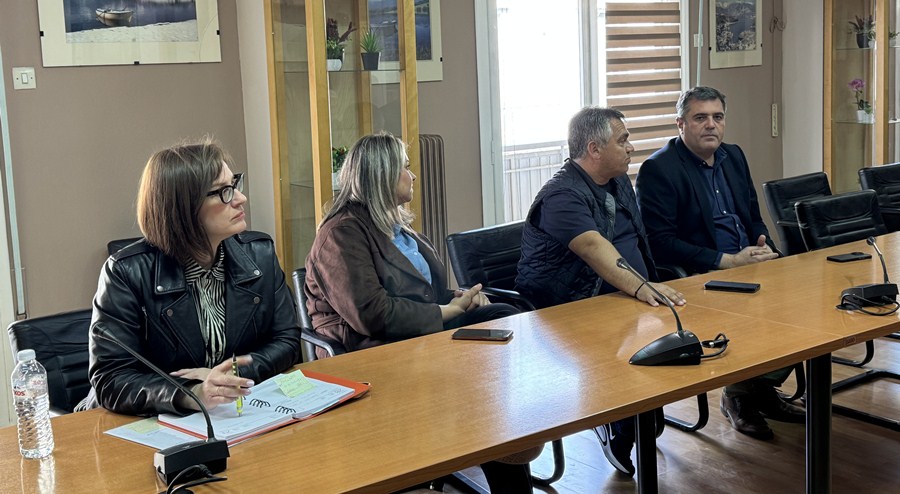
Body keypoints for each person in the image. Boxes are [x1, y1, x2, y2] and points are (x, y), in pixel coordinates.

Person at [304, 132, 535, 492]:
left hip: (424, 337)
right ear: (382, 174)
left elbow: (426, 290)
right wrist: (445, 311)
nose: (412, 175)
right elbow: (371, 314)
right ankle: (498, 443)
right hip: (375, 349)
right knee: (485, 387)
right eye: (405, 167)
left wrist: (460, 299)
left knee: (503, 315)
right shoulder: (341, 234)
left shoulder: (396, 225)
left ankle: (507, 437)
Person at [515, 106, 685, 477]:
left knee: (676, 331)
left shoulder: (618, 181)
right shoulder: (561, 196)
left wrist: (649, 287)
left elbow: (634, 239)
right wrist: (643, 287)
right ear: (594, 149)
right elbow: (594, 248)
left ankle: (637, 416)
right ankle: (616, 423)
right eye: (622, 141)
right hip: (568, 309)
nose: (631, 148)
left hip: (620, 299)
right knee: (641, 345)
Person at [84, 138, 302, 416]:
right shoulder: (125, 272)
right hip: (145, 421)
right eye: (223, 192)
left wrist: (229, 376)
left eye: (234, 184)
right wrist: (191, 393)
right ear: (182, 207)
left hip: (233, 413)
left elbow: (286, 339)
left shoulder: (259, 253)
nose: (240, 198)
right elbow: (111, 379)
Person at [635, 86, 805, 440]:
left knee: (806, 305)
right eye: (700, 118)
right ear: (680, 124)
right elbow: (660, 243)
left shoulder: (733, 155)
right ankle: (738, 395)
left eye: (717, 117)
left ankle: (760, 388)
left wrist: (764, 245)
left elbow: (752, 215)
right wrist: (725, 261)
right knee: (765, 311)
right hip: (702, 275)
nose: (711, 125)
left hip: (750, 261)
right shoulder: (659, 169)